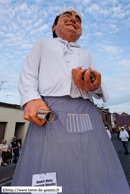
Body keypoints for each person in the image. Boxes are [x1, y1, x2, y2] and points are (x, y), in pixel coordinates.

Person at [11, 7, 130, 194]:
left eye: (78, 19)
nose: (73, 20)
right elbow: (28, 73)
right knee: (50, 162)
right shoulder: (42, 44)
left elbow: (98, 89)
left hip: (87, 113)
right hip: (51, 111)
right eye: (67, 16)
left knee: (92, 164)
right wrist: (31, 99)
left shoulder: (86, 54)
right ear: (53, 27)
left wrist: (94, 85)